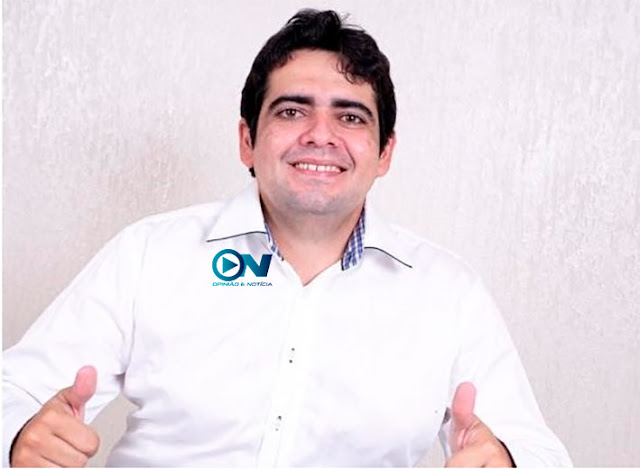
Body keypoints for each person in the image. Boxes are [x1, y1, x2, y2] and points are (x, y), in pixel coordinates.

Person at [3, 9, 572, 467]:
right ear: (247, 140)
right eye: (292, 111)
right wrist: (19, 437)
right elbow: (15, 394)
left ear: (385, 153)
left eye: (351, 117)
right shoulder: (149, 255)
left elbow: (539, 451)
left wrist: (508, 460)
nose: (321, 135)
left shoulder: (449, 293)